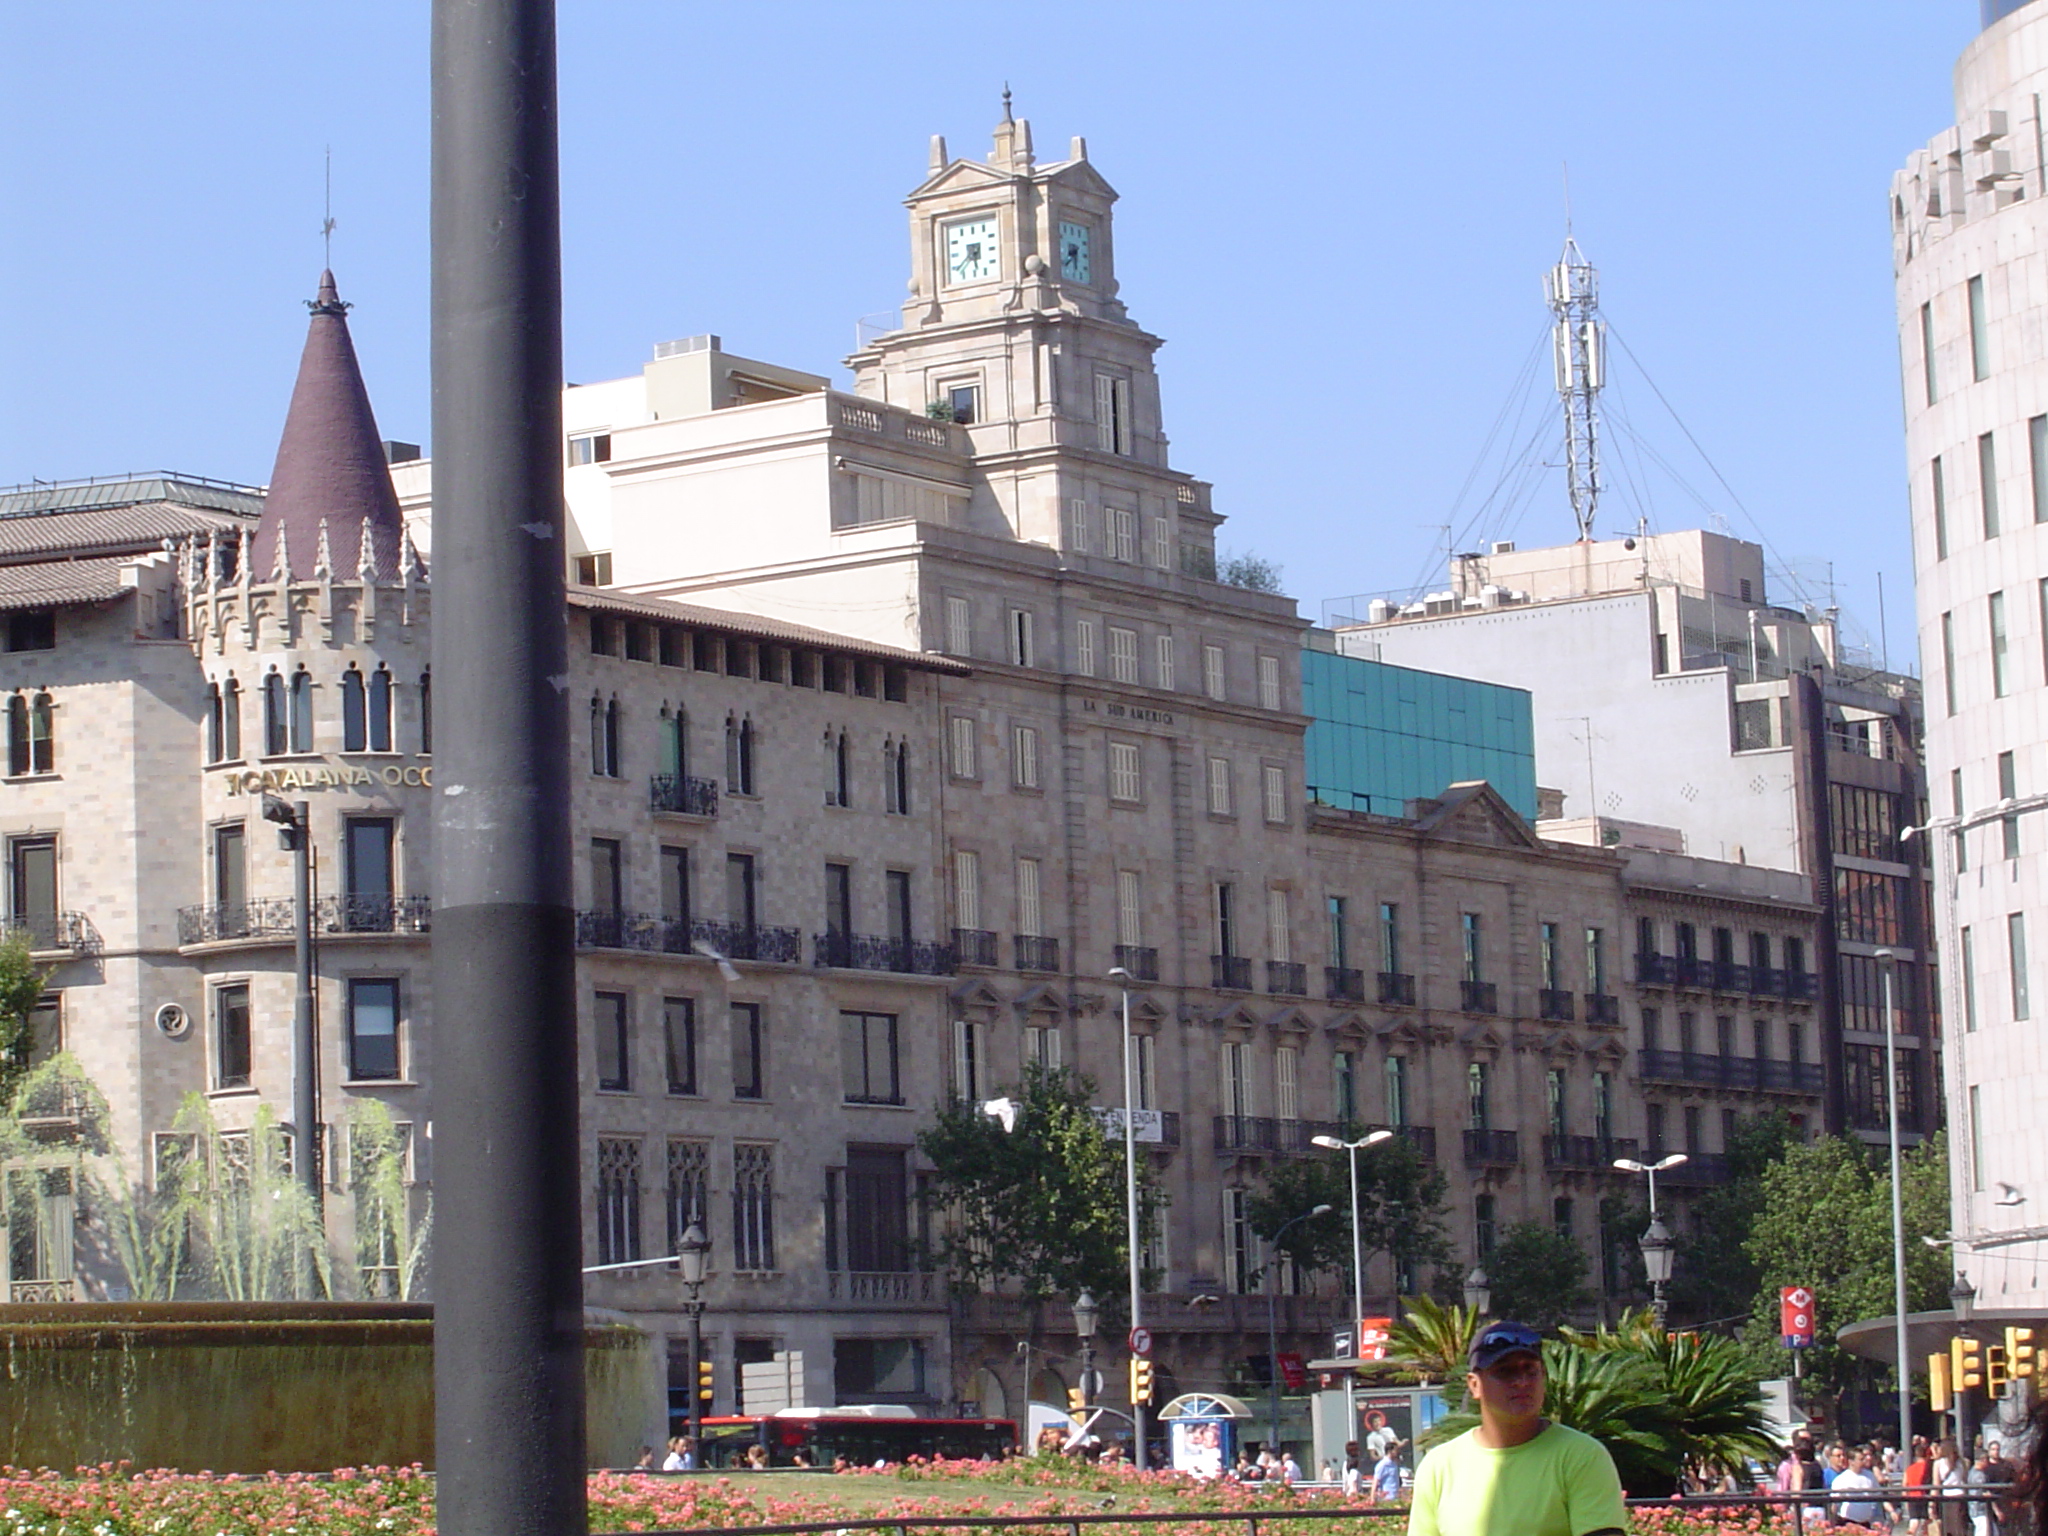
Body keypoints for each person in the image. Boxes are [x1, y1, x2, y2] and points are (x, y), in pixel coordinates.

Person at [1406, 1320, 1627, 1536]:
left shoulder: (1581, 1455)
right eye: (1505, 1372)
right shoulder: (1438, 1467)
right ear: (1474, 1385)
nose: (1522, 1382)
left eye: (1530, 1370)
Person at [1834, 1445, 1884, 1529]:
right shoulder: (1841, 1479)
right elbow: (1835, 1503)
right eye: (1861, 1459)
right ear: (1851, 1461)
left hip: (1866, 1522)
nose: (1864, 1461)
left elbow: (1878, 1494)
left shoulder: (1870, 1475)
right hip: (1848, 1521)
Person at [1906, 1436, 1934, 1536]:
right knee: (1925, 1523)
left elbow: (1905, 1484)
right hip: (1924, 1495)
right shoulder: (1928, 1467)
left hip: (1912, 1496)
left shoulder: (1910, 1468)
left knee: (1914, 1521)